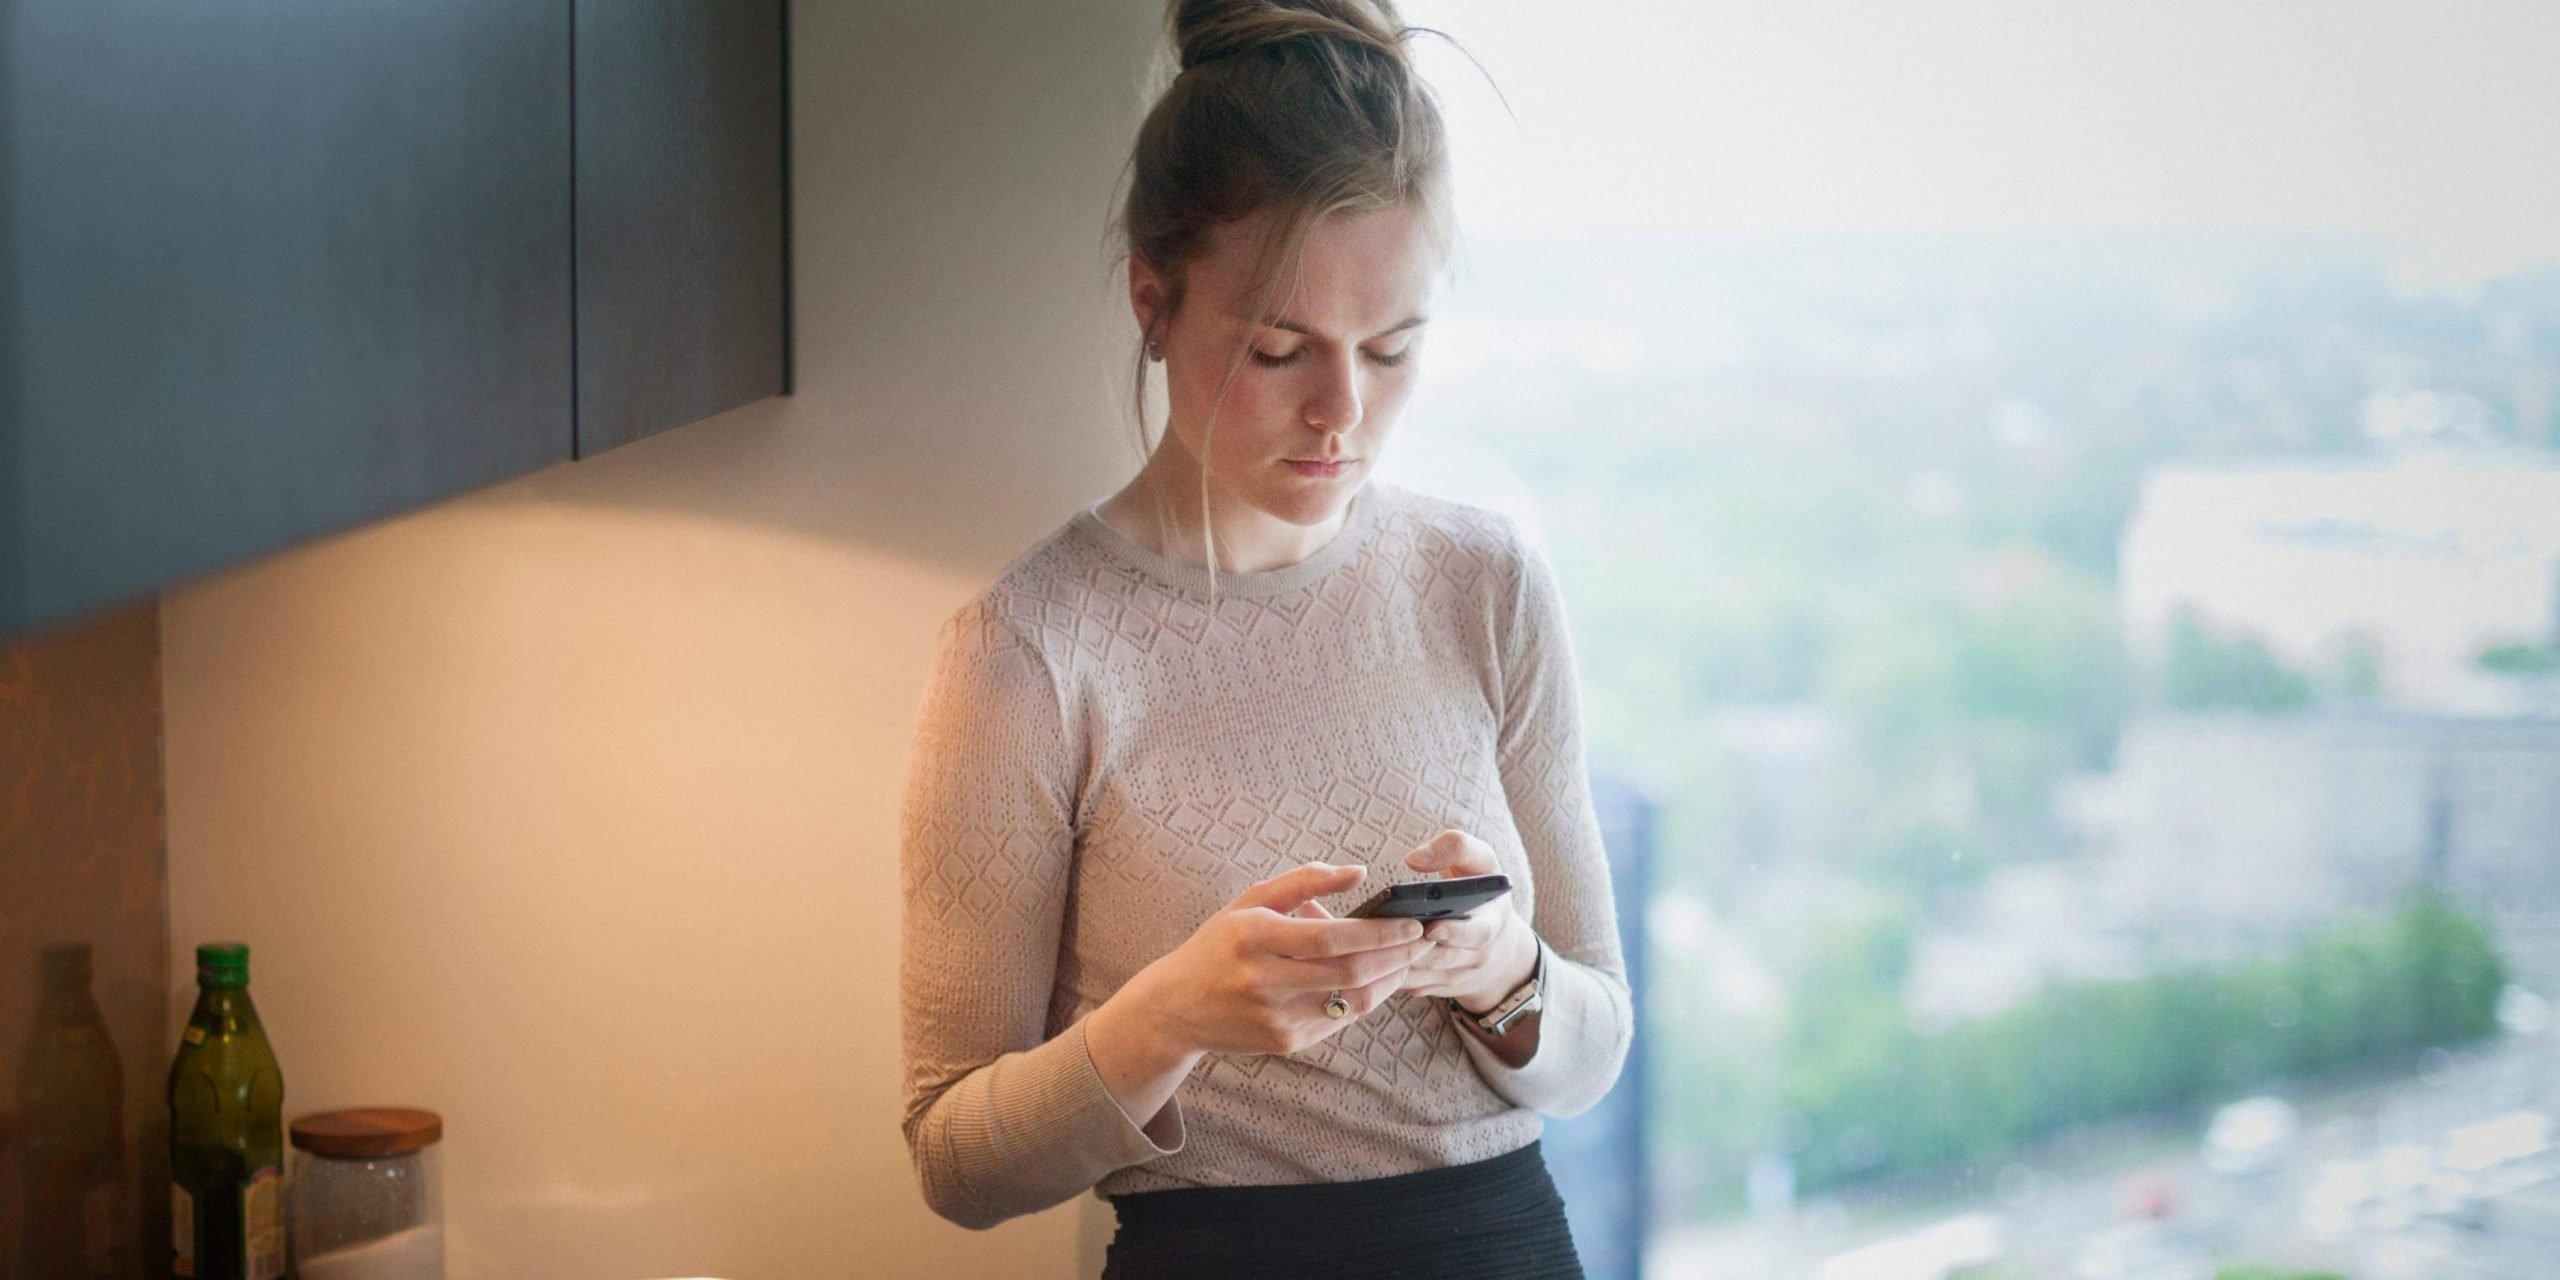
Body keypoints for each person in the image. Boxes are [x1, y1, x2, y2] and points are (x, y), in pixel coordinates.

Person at [896, 2, 1633, 1275]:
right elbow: (954, 1159)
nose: (1341, 411)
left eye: (1391, 348)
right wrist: (1171, 1012)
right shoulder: (1028, 651)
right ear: (1152, 298)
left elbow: (1594, 1049)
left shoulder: (1485, 581)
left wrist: (1497, 961)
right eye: (1279, 348)